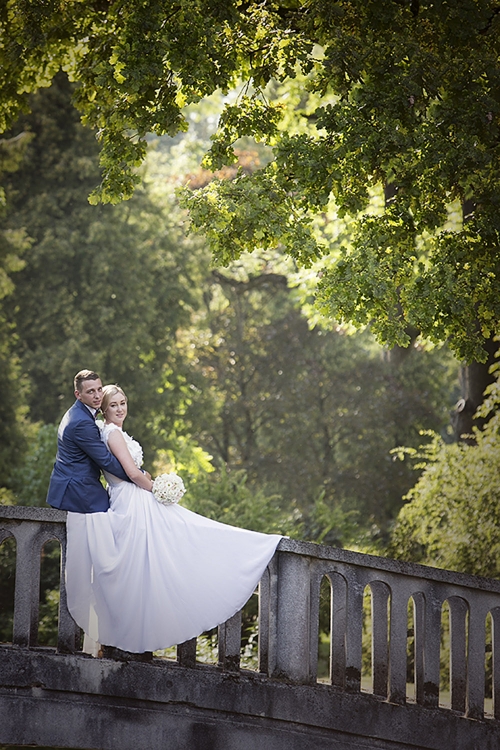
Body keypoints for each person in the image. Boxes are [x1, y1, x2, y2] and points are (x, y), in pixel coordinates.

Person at [65, 384, 283, 660]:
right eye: (113, 405)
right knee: (144, 567)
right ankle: (129, 639)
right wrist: (158, 488)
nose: (120, 409)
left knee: (158, 559)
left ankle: (136, 638)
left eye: (123, 403)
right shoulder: (113, 434)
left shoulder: (111, 432)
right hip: (131, 503)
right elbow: (131, 473)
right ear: (104, 410)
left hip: (134, 500)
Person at [46, 370, 133, 513]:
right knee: (112, 518)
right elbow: (105, 460)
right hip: (76, 489)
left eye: (99, 389)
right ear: (78, 395)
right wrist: (136, 475)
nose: (98, 395)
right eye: (91, 392)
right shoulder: (81, 422)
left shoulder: (81, 412)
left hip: (79, 484)